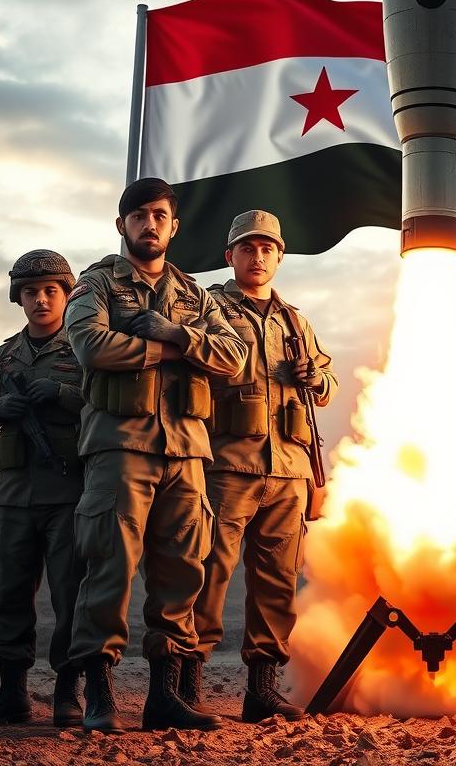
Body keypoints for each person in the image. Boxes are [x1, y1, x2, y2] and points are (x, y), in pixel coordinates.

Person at [64, 178, 248, 733]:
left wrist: (179, 337)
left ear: (174, 225)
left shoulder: (195, 297)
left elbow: (235, 357)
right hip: (121, 449)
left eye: (159, 214)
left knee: (181, 575)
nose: (150, 223)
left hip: (187, 453)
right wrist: (165, 349)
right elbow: (91, 346)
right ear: (122, 225)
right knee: (109, 570)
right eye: (139, 215)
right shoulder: (96, 284)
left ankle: (164, 698)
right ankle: (100, 695)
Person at [188, 210, 337, 722]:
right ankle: (188, 683)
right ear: (230, 256)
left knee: (277, 583)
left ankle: (262, 688)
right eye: (248, 248)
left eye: (268, 248)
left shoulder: (296, 319)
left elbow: (328, 384)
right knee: (208, 573)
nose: (258, 257)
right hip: (228, 465)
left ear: (279, 256)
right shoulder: (209, 309)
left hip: (289, 470)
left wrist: (314, 376)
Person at [0, 250, 85, 727]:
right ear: (19, 298)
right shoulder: (3, 356)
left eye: (51, 290)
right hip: (11, 495)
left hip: (69, 493)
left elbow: (105, 404)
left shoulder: (83, 350)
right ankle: (12, 693)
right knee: (9, 593)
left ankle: (68, 694)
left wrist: (63, 395)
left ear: (66, 294)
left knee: (71, 595)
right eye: (31, 292)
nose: (40, 299)